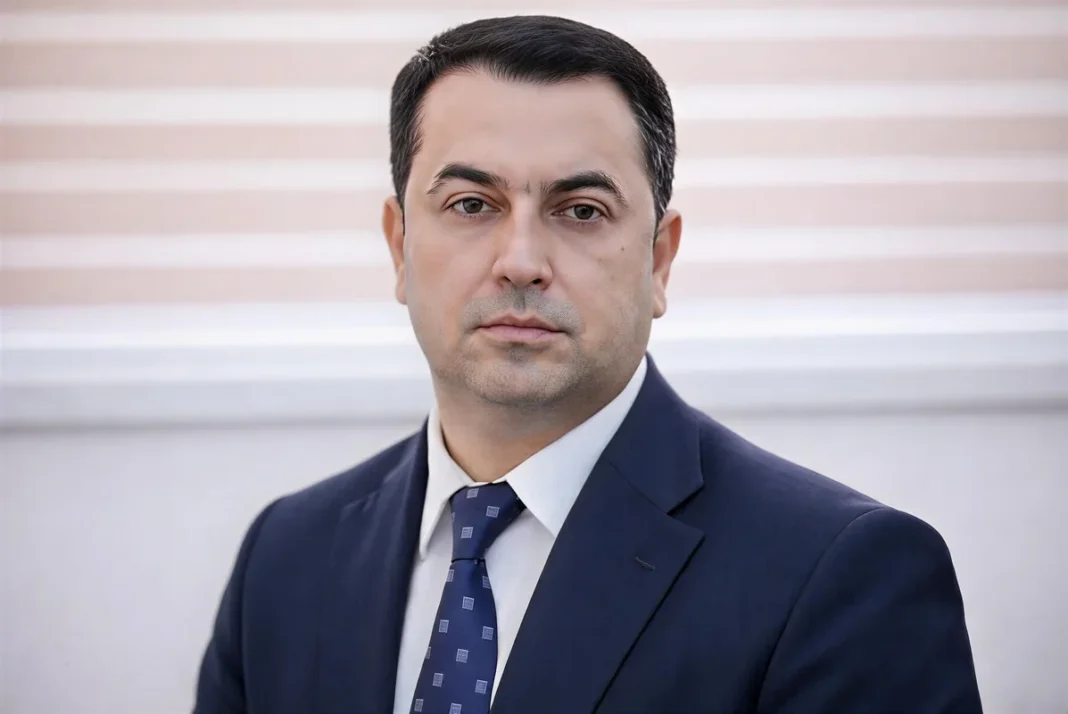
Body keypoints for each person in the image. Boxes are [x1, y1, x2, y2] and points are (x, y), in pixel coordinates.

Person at [194, 15, 983, 714]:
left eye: (581, 211)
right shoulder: (285, 556)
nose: (521, 261)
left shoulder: (844, 574)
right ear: (400, 247)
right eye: (472, 204)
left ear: (659, 259)